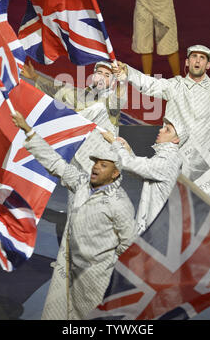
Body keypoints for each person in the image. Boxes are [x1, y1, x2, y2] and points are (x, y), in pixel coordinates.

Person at [11, 110, 137, 320]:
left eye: (103, 165)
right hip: (72, 268)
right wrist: (28, 131)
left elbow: (129, 245)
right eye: (95, 162)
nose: (96, 167)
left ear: (115, 174)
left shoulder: (119, 203)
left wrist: (107, 267)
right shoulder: (81, 183)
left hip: (99, 276)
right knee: (68, 313)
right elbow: (56, 163)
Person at [112, 45, 210, 202]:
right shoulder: (175, 85)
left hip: (206, 164)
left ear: (208, 65)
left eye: (202, 58)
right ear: (187, 62)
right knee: (173, 211)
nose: (197, 60)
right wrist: (128, 72)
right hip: (176, 160)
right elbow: (149, 84)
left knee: (203, 210)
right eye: (194, 57)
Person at [21, 60, 127, 174]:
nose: (102, 77)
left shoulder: (110, 101)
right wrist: (35, 77)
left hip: (103, 161)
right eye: (99, 73)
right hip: (79, 158)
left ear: (112, 82)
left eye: (107, 75)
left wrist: (122, 81)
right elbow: (59, 90)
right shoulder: (82, 95)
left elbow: (119, 99)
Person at [102, 116, 188, 234]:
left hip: (158, 232)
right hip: (156, 228)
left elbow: (129, 164)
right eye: (163, 128)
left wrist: (114, 142)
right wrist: (128, 150)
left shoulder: (169, 159)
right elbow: (142, 172)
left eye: (167, 130)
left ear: (176, 140)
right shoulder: (167, 157)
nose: (161, 130)